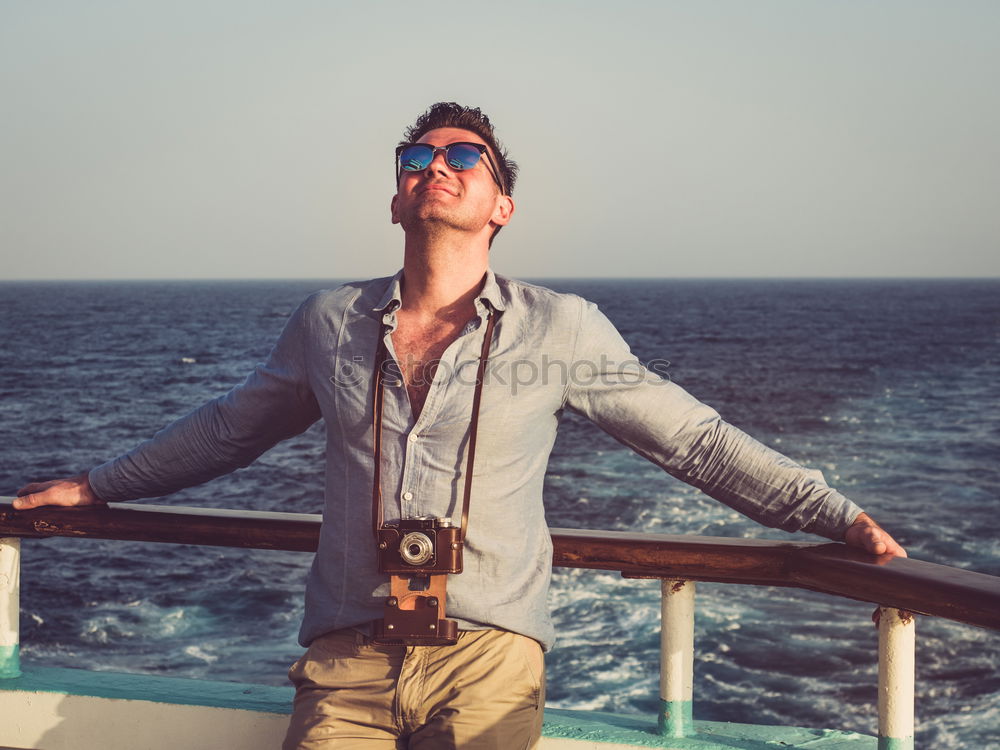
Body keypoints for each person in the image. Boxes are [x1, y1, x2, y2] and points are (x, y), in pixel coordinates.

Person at [15, 102, 905, 749]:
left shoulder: (560, 326)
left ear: (501, 205)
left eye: (464, 157)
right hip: (347, 659)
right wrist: (96, 487)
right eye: (415, 158)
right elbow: (227, 429)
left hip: (486, 658)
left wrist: (835, 516)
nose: (435, 166)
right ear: (397, 202)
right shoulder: (329, 323)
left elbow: (696, 442)